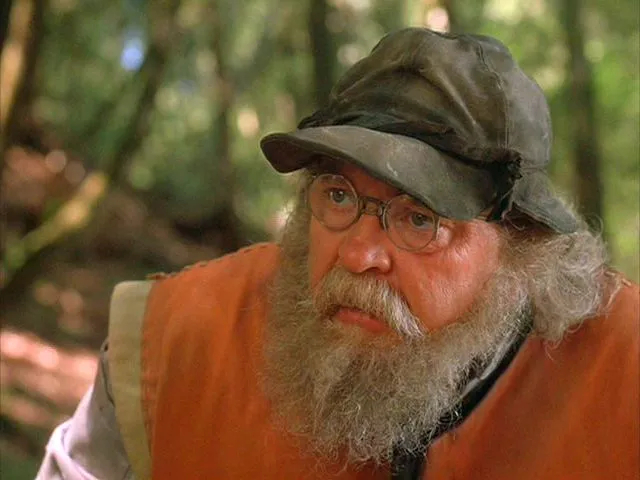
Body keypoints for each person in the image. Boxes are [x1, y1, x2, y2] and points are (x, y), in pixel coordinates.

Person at [37, 27, 638, 480]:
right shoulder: (172, 343)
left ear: (522, 248)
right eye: (339, 194)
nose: (359, 254)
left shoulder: (622, 380)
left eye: (420, 218)